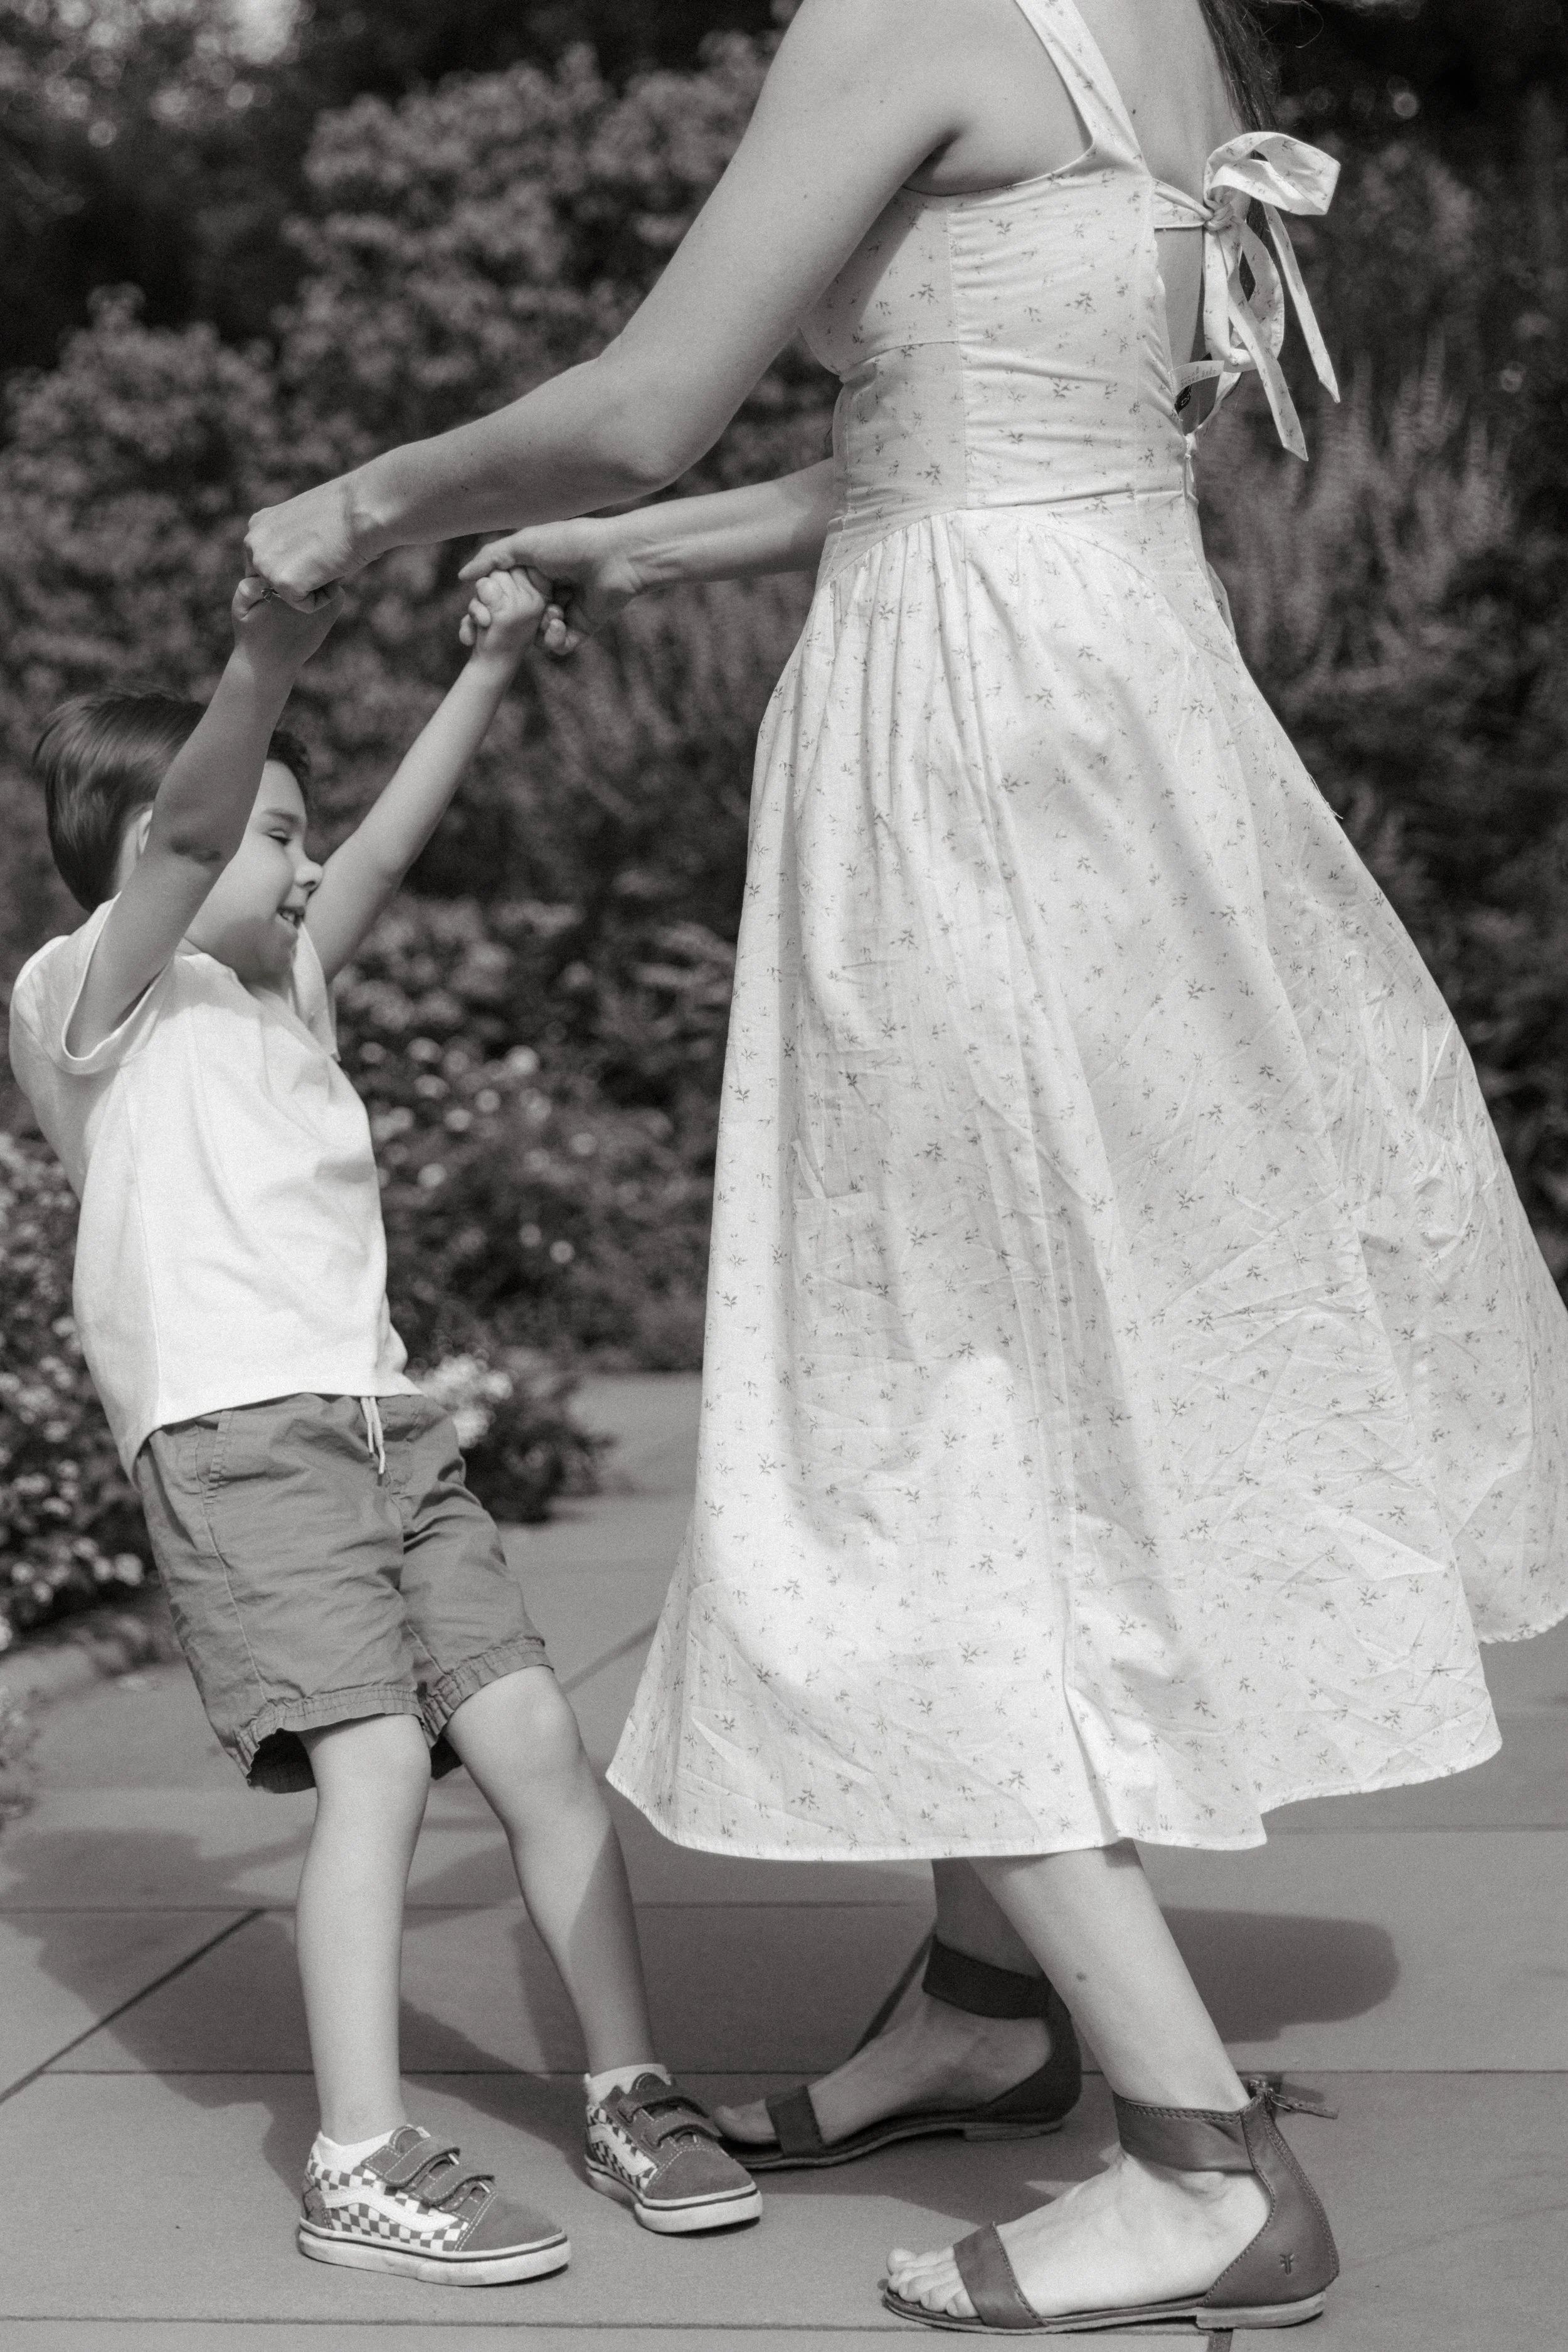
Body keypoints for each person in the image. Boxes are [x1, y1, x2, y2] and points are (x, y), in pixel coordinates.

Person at [243, 0, 1568, 2331]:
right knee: (1015, 1368)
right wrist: (637, 566)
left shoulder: (911, 12)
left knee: (909, 1408)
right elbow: (991, 441)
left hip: (963, 752)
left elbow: (657, 389)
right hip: (1125, 711)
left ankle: (1191, 2161)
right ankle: (982, 1994)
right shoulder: (1159, 20)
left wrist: (363, 502)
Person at [8, 570, 761, 2289]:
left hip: (383, 1427)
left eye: (299, 832)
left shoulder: (285, 991)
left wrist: (489, 661)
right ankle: (356, 2158)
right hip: (238, 1438)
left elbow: (391, 853)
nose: (299, 857)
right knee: (369, 1772)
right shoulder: (88, 994)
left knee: (538, 1753)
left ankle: (630, 2086)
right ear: (150, 858)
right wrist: (263, 654)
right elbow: (195, 836)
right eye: (273, 833)